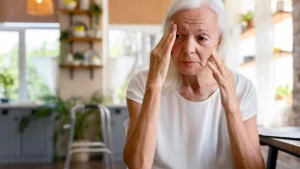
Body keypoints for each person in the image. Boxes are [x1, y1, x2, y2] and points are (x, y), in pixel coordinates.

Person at [123, 0, 265, 168]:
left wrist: (231, 103)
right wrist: (154, 86)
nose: (189, 48)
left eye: (201, 38)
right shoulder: (143, 83)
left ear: (219, 41)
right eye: (178, 36)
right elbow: (137, 165)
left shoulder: (242, 88)